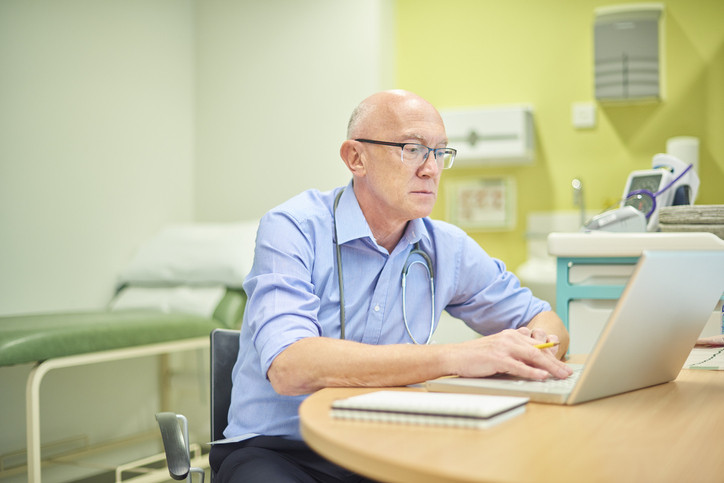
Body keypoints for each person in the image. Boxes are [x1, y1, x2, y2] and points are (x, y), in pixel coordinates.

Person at [210, 90, 572, 482]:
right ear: (356, 158)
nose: (431, 169)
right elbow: (290, 366)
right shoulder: (293, 228)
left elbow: (545, 320)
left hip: (388, 448)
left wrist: (530, 354)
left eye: (440, 152)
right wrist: (458, 357)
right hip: (279, 450)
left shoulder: (446, 247)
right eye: (413, 149)